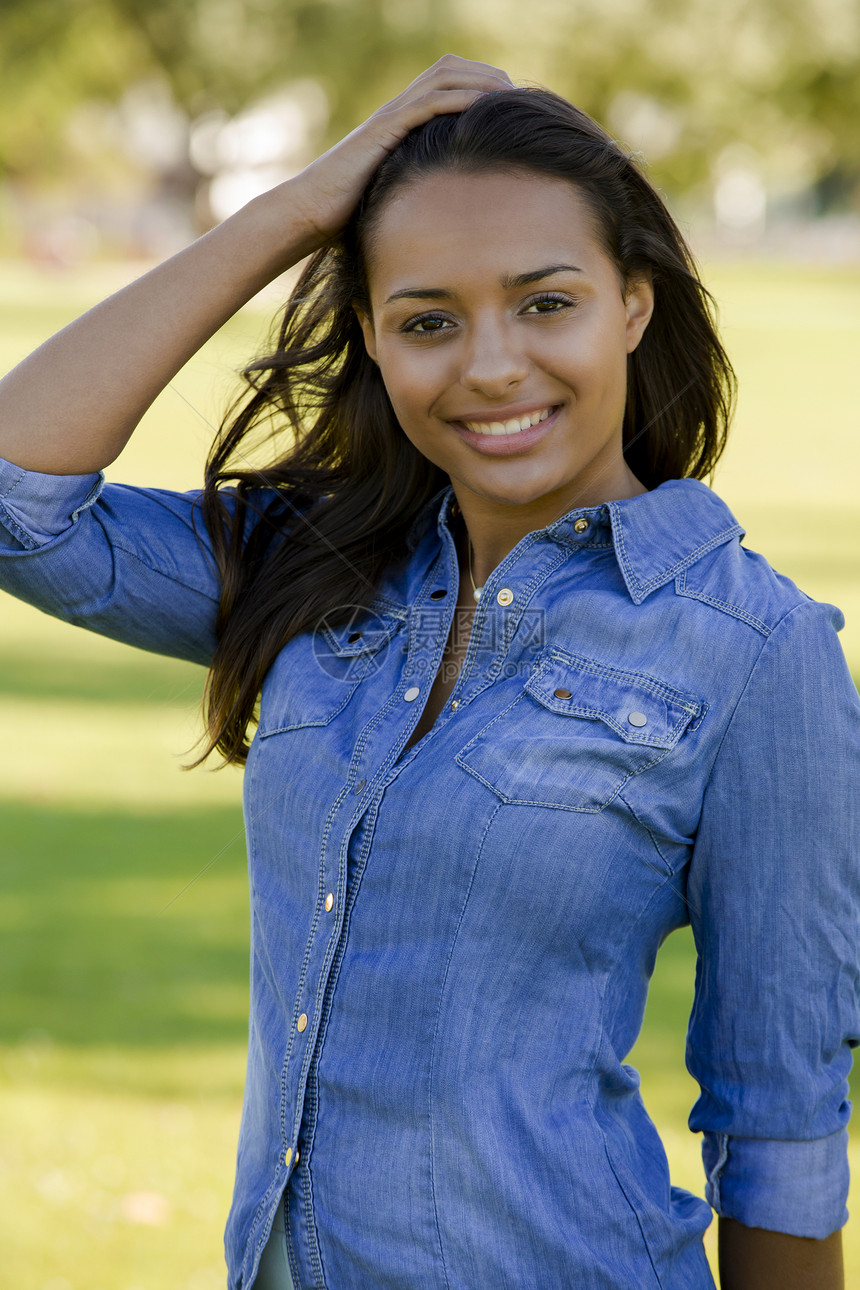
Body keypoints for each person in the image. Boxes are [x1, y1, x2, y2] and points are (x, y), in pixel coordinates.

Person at [0, 54, 857, 1290]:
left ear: (633, 303)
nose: (490, 366)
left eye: (545, 303)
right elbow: (22, 504)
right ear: (372, 338)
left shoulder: (753, 651)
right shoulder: (315, 568)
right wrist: (294, 210)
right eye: (427, 321)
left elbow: (779, 1121)